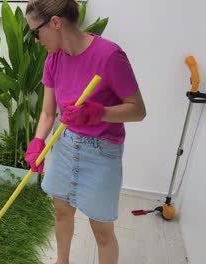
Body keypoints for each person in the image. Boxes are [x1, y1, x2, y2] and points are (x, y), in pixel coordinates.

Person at [23, 0, 147, 263]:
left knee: (102, 231)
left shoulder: (110, 56)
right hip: (65, 144)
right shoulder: (53, 60)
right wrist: (37, 141)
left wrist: (99, 112)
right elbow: (48, 113)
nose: (36, 39)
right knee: (61, 211)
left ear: (55, 23)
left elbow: (138, 110)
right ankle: (62, 261)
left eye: (36, 32)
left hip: (102, 152)